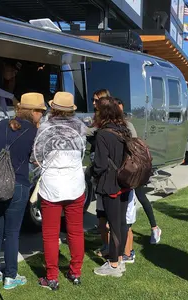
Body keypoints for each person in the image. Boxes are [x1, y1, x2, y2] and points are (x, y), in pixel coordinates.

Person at [0, 92, 46, 290]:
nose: (42, 116)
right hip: (18, 184)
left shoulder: (2, 124)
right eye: (41, 112)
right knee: (12, 233)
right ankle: (10, 276)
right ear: (33, 112)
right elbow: (36, 159)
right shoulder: (33, 132)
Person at [31, 92, 87, 290]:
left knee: (50, 234)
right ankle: (75, 272)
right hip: (74, 184)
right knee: (75, 231)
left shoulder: (45, 127)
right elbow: (82, 151)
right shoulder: (80, 126)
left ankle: (52, 276)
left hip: (52, 186)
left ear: (53, 107)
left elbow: (36, 155)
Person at [92, 96, 131, 277]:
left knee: (114, 224)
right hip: (125, 182)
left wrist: (91, 171)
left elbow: (99, 165)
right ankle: (120, 260)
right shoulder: (124, 130)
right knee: (121, 223)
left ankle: (114, 264)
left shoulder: (103, 134)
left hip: (110, 183)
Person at [116, 98, 162, 245]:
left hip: (132, 168)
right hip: (121, 168)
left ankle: (154, 228)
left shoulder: (127, 125)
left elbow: (135, 146)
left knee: (140, 196)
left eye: (120, 108)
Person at [87, 89, 111, 258]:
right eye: (93, 100)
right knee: (101, 210)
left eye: (96, 100)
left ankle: (113, 249)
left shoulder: (106, 121)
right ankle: (106, 245)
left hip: (105, 169)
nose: (93, 103)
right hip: (97, 166)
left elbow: (91, 133)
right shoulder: (96, 118)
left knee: (108, 210)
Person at [123, 189, 137, 263]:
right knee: (128, 229)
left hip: (128, 207)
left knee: (125, 230)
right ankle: (130, 251)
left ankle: (127, 255)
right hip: (130, 202)